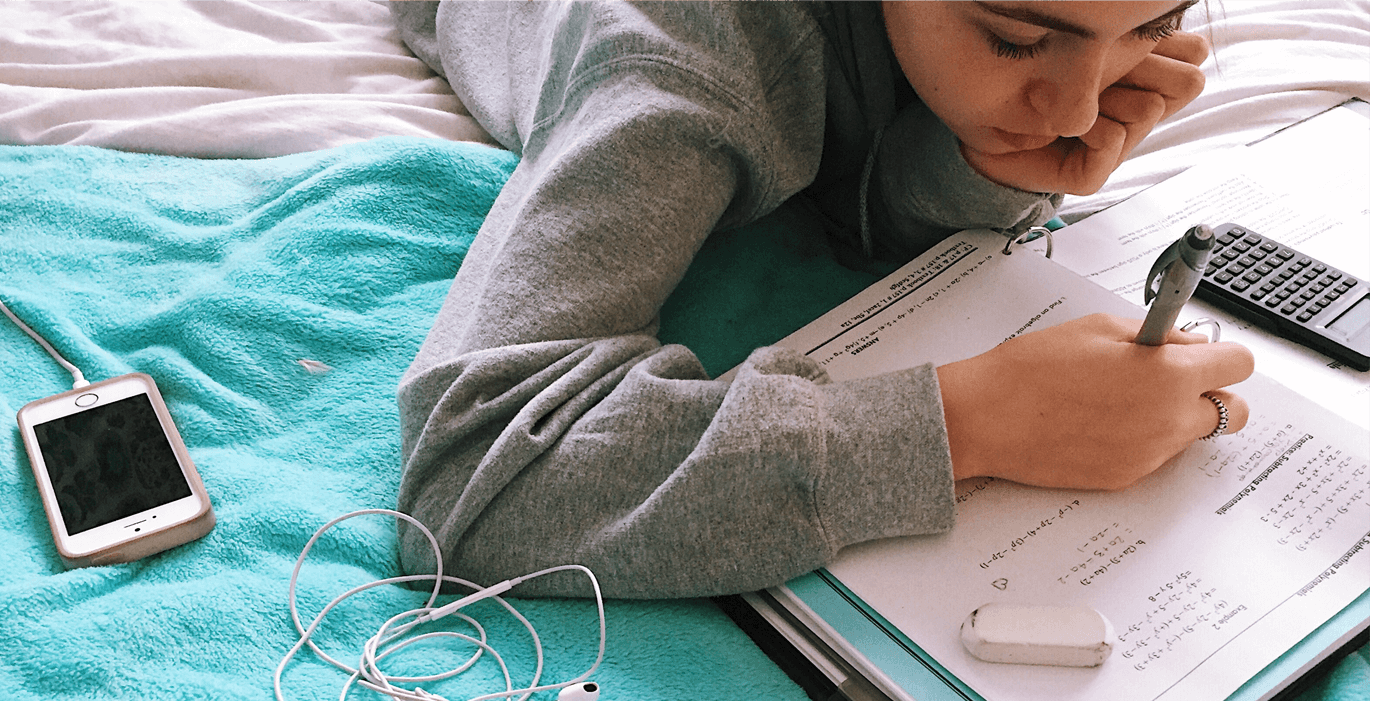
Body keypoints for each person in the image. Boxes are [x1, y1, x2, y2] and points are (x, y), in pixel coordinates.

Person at [390, 0, 1254, 598]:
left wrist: (976, 176)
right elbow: (478, 478)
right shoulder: (676, 65)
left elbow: (841, 158)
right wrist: (966, 423)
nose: (1076, 113)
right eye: (1018, 38)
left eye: (1150, 26)